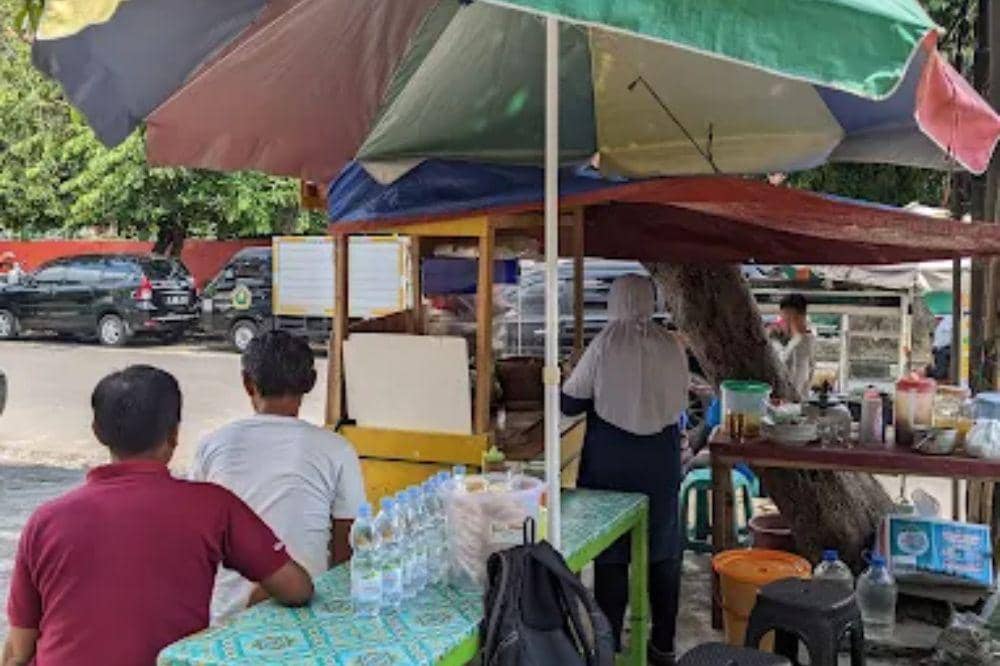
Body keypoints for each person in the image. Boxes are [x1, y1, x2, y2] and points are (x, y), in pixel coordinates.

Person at [3, 366, 313, 666]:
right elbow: (296, 589)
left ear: (98, 432)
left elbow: (18, 650)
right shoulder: (213, 506)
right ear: (174, 434)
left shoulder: (45, 522)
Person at [192, 331, 365, 624]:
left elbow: (198, 538)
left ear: (248, 383)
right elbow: (346, 547)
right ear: (309, 384)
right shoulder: (337, 449)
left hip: (228, 621)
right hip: (309, 614)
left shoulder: (212, 446)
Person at [561, 274, 689, 665]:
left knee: (612, 555)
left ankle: (610, 644)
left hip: (611, 462)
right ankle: (663, 644)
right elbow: (680, 402)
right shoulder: (672, 344)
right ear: (650, 302)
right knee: (663, 549)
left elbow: (569, 403)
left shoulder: (605, 343)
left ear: (615, 302)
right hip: (660, 462)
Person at [771, 293, 816, 401]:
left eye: (784, 318)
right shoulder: (806, 337)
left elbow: (786, 370)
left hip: (793, 405)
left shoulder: (799, 344)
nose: (782, 323)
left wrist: (774, 341)